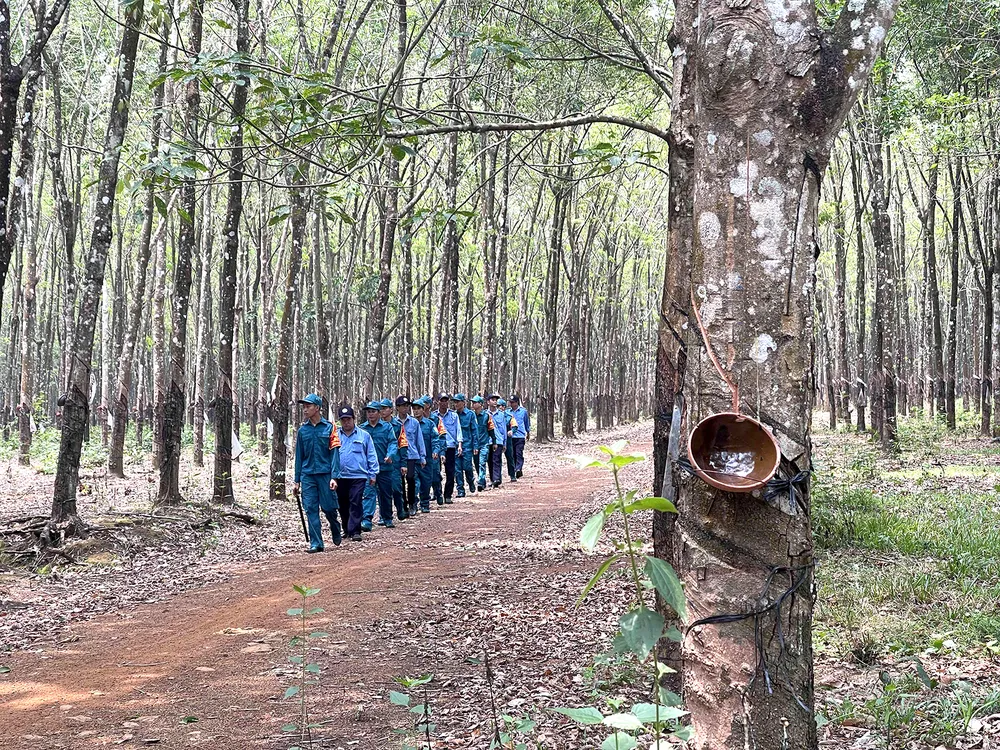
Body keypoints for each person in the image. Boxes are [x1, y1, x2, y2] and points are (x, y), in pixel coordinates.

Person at [293, 394, 342, 552]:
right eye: (304, 406)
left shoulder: (330, 428)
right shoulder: (302, 431)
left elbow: (335, 454)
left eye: (308, 406)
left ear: (318, 408)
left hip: (325, 474)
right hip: (308, 475)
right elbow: (299, 456)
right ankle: (316, 543)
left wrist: (334, 476)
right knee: (310, 508)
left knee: (328, 508)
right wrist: (296, 480)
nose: (305, 409)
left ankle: (335, 526)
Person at [332, 405, 379, 542]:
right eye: (343, 420)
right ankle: (347, 528)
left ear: (354, 419)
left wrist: (373, 474)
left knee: (356, 501)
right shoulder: (335, 436)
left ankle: (355, 531)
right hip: (340, 476)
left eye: (348, 419)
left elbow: (371, 455)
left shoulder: (364, 435)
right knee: (342, 503)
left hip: (358, 475)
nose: (346, 422)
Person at [360, 401, 399, 528]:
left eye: (373, 411)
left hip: (384, 466)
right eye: (368, 412)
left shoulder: (387, 427)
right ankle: (367, 520)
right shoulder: (362, 429)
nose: (370, 414)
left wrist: (390, 455)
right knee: (368, 493)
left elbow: (393, 442)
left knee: (385, 493)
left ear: (379, 413)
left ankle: (387, 517)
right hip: (368, 468)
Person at [395, 395, 425, 516]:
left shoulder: (414, 422)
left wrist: (422, 457)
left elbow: (419, 440)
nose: (405, 408)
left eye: (407, 406)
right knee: (400, 482)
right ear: (397, 408)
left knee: (411, 478)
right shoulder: (393, 423)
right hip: (398, 456)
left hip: (411, 455)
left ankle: (412, 503)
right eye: (403, 406)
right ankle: (403, 506)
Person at [380, 397, 408, 520]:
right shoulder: (376, 425)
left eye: (385, 408)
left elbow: (402, 444)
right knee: (382, 491)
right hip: (381, 462)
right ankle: (384, 515)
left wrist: (404, 463)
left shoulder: (397, 426)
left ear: (391, 410)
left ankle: (400, 509)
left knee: (396, 488)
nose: (382, 411)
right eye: (380, 408)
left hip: (395, 463)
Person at [415, 397, 443, 510]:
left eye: (418, 408)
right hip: (413, 459)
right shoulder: (410, 423)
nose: (416, 411)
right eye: (414, 408)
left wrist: (436, 451)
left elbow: (435, 439)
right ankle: (413, 504)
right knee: (414, 482)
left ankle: (425, 503)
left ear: (423, 409)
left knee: (426, 481)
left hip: (428, 458)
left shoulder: (430, 424)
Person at [435, 393, 463, 504]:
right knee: (436, 473)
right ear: (438, 402)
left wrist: (460, 444)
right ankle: (438, 494)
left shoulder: (454, 416)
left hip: (450, 447)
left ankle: (448, 495)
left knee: (451, 472)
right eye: (442, 400)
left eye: (446, 400)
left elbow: (458, 430)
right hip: (437, 448)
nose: (444, 403)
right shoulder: (434, 417)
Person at [452, 393, 479, 497]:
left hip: (467, 445)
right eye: (454, 402)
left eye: (458, 401)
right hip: (455, 446)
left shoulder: (470, 414)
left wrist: (475, 446)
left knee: (467, 467)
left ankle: (471, 481)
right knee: (457, 469)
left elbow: (474, 431)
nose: (456, 404)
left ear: (463, 403)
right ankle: (460, 490)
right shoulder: (453, 415)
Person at [487, 395, 509, 488]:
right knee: (490, 461)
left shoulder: (501, 414)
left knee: (497, 460)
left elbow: (504, 429)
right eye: (493, 400)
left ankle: (497, 479)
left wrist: (504, 442)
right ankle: (493, 479)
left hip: (499, 440)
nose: (495, 401)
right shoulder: (485, 414)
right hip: (488, 441)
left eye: (496, 400)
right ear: (488, 402)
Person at [507, 394, 530, 480]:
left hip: (520, 435)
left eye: (512, 402)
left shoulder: (523, 411)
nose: (511, 404)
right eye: (510, 402)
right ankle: (515, 469)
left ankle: (518, 468)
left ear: (517, 402)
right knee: (512, 454)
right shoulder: (508, 412)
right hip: (511, 436)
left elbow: (526, 422)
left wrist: (528, 432)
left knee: (519, 453)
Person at [471, 395, 490, 491]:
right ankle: (482, 480)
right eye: (473, 402)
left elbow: (491, 429)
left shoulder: (487, 416)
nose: (473, 404)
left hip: (484, 444)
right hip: (474, 445)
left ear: (481, 404)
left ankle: (481, 482)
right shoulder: (471, 415)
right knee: (476, 463)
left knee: (482, 462)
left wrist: (494, 442)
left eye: (475, 402)